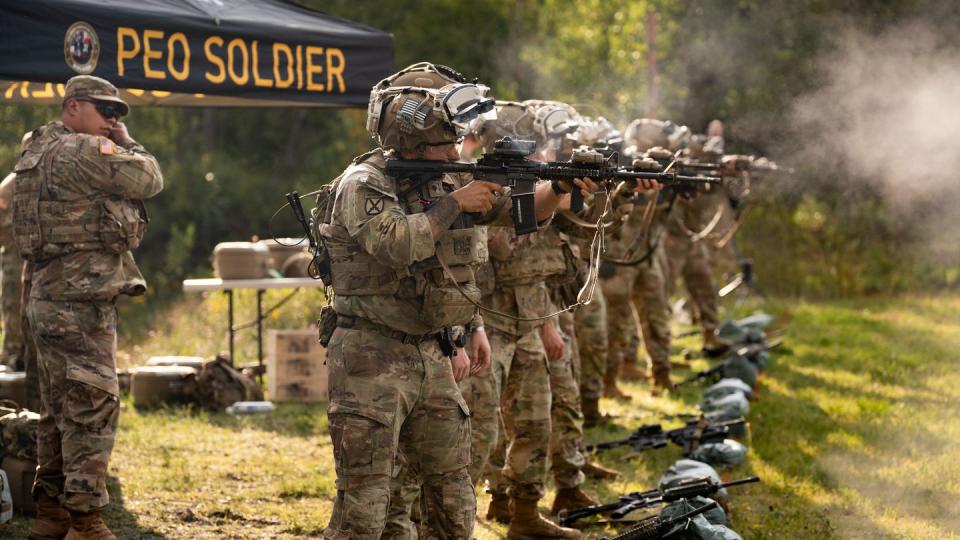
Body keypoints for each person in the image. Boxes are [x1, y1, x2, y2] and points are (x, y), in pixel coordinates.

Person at [319, 63, 599, 540]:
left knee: (452, 498)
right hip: (371, 357)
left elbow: (517, 213)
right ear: (409, 139)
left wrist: (561, 186)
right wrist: (455, 204)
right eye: (444, 141)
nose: (455, 150)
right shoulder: (365, 182)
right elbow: (395, 243)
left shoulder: (442, 179)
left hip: (434, 353)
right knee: (366, 504)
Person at [14, 75, 163, 540]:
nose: (113, 121)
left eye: (119, 114)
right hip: (78, 301)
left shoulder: (35, 148)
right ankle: (85, 519)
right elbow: (150, 177)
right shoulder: (79, 151)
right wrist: (129, 143)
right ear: (73, 107)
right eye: (105, 111)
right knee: (94, 405)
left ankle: (51, 515)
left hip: (46, 294)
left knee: (59, 408)